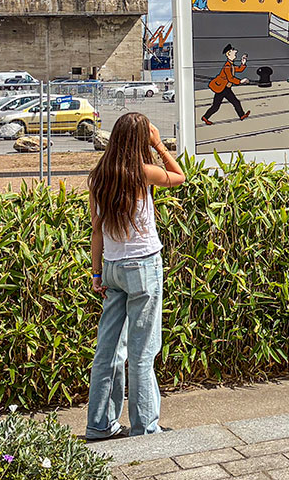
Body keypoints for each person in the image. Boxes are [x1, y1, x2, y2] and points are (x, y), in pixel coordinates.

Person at [85, 113, 186, 441]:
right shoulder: (141, 173)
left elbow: (96, 231)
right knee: (143, 352)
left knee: (108, 350)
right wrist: (158, 143)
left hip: (112, 269)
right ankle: (144, 427)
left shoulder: (99, 176)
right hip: (143, 267)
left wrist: (97, 271)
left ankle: (99, 425)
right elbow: (179, 176)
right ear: (140, 139)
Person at [201, 44, 250, 125]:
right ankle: (205, 117)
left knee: (235, 102)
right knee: (216, 106)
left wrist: (243, 63)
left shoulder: (231, 65)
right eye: (234, 54)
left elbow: (239, 69)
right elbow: (230, 78)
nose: (235, 55)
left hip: (226, 88)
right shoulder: (227, 66)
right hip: (221, 88)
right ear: (228, 54)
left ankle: (241, 115)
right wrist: (240, 81)